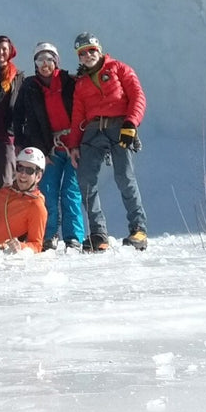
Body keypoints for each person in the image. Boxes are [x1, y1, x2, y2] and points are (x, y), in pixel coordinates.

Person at [68, 33, 148, 251]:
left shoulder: (120, 69)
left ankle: (138, 230)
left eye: (91, 50)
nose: (87, 55)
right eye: (82, 53)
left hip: (119, 126)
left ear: (99, 49)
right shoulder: (81, 83)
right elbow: (77, 116)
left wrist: (131, 124)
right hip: (93, 131)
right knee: (85, 180)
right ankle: (98, 234)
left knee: (124, 177)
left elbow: (137, 96)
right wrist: (74, 145)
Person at [13, 42, 84, 251]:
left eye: (49, 59)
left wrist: (78, 143)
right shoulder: (30, 86)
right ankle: (48, 234)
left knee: (70, 192)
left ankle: (73, 237)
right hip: (49, 148)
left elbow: (82, 110)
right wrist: (29, 146)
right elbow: (20, 117)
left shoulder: (69, 82)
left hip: (73, 146)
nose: (44, 64)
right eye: (40, 60)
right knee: (48, 191)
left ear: (56, 62)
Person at [0, 35, 24, 189]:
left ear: (10, 52)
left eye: (4, 49)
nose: (1, 52)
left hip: (6, 136)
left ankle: (4, 213)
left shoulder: (17, 77)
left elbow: (22, 109)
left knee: (5, 181)